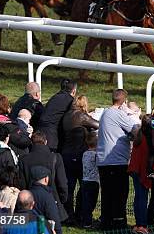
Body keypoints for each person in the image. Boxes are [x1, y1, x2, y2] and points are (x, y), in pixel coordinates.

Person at [97, 89, 141, 230]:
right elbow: (135, 131)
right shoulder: (119, 114)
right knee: (120, 194)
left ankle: (106, 222)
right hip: (116, 161)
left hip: (103, 160)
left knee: (107, 193)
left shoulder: (105, 112)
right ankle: (119, 223)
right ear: (124, 102)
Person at [60, 95, 99, 224]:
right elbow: (97, 124)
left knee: (69, 188)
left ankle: (68, 216)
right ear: (83, 105)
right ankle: (81, 214)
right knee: (83, 187)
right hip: (79, 155)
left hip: (66, 154)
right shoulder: (81, 115)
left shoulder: (66, 115)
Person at [17, 131, 68, 224]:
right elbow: (62, 182)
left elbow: (22, 184)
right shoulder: (55, 157)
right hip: (53, 199)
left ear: (32, 143)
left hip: (31, 201)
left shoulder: (24, 159)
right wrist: (63, 198)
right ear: (46, 142)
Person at [37, 78, 77, 152]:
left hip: (40, 131)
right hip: (51, 135)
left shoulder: (55, 97)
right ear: (74, 91)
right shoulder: (70, 100)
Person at [29, 166, 62, 234]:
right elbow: (53, 217)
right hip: (43, 230)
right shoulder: (47, 196)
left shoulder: (27, 193)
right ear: (46, 179)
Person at [81, 132, 99, 229]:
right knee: (92, 202)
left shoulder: (85, 154)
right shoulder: (96, 155)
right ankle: (88, 222)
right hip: (93, 181)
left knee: (86, 202)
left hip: (85, 180)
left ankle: (86, 220)